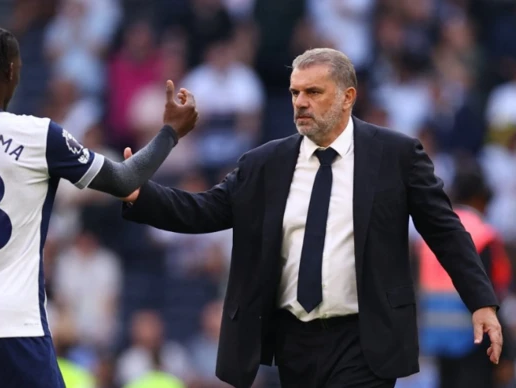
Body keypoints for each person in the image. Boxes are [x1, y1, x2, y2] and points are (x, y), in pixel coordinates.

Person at [120, 48, 503, 388]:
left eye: (313, 92)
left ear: (348, 97)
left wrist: (481, 301)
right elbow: (203, 212)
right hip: (293, 341)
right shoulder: (264, 163)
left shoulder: (395, 155)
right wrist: (140, 192)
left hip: (365, 338)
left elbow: (444, 229)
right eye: (294, 92)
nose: (300, 102)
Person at [0, 21, 198, 388]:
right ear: (13, 70)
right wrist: (169, 133)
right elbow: (125, 180)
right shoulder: (39, 135)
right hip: (18, 327)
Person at [415, 162, 514, 388]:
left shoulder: (430, 234)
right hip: (475, 343)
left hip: (437, 336)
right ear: (482, 198)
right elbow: (492, 297)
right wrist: (507, 353)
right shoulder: (482, 233)